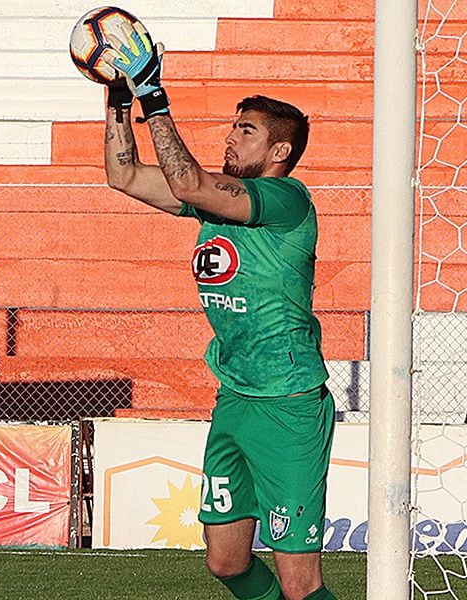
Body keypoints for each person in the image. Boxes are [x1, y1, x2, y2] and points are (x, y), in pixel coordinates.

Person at [101, 20, 337, 600]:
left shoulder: (285, 199)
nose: (231, 138)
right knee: (227, 563)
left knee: (299, 583)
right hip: (235, 398)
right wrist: (117, 94)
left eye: (246, 131)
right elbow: (122, 175)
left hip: (288, 404)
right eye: (233, 127)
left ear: (279, 151)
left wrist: (154, 94)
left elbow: (189, 182)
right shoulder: (215, 206)